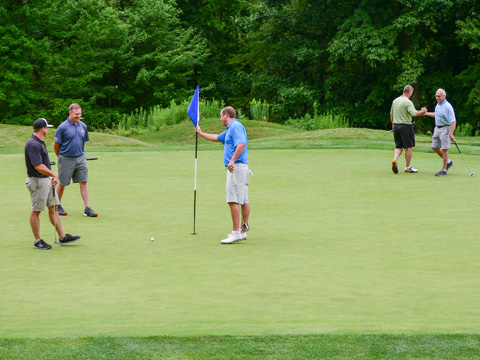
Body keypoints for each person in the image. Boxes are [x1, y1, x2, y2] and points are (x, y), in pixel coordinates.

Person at [196, 106, 251, 244]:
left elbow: (241, 144)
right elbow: (216, 137)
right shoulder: (230, 129)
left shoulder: (235, 126)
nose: (220, 119)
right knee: (243, 199)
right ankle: (242, 230)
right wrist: (201, 133)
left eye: (221, 116)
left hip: (236, 168)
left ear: (226, 115)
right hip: (240, 167)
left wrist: (232, 160)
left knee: (233, 200)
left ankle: (236, 232)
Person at [25, 118, 81, 249]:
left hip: (45, 180)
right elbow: (38, 166)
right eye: (47, 128)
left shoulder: (39, 142)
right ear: (42, 129)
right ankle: (37, 241)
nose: (48, 130)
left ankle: (62, 236)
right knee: (36, 210)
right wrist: (54, 174)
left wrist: (50, 177)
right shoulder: (33, 144)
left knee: (53, 208)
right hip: (37, 181)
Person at [53, 103, 98, 217]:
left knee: (83, 182)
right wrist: (61, 157)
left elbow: (82, 141)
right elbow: (56, 145)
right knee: (63, 183)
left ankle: (87, 208)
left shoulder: (83, 126)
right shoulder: (62, 127)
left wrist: (80, 153)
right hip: (66, 158)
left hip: (80, 157)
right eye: (76, 114)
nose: (79, 116)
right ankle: (57, 206)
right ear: (70, 113)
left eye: (80, 114)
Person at [390, 85, 427, 174]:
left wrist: (393, 125)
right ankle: (408, 167)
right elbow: (414, 113)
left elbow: (391, 114)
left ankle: (395, 160)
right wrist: (423, 111)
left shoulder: (395, 100)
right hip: (406, 126)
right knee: (409, 147)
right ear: (410, 92)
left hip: (396, 126)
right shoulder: (408, 102)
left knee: (399, 146)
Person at [424, 89, 456, 176]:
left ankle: (444, 169)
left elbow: (453, 121)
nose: (437, 97)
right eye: (436, 96)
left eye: (439, 96)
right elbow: (436, 114)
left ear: (444, 96)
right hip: (437, 128)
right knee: (434, 147)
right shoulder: (438, 105)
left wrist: (451, 133)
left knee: (444, 149)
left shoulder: (448, 106)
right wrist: (425, 113)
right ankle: (448, 162)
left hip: (445, 128)